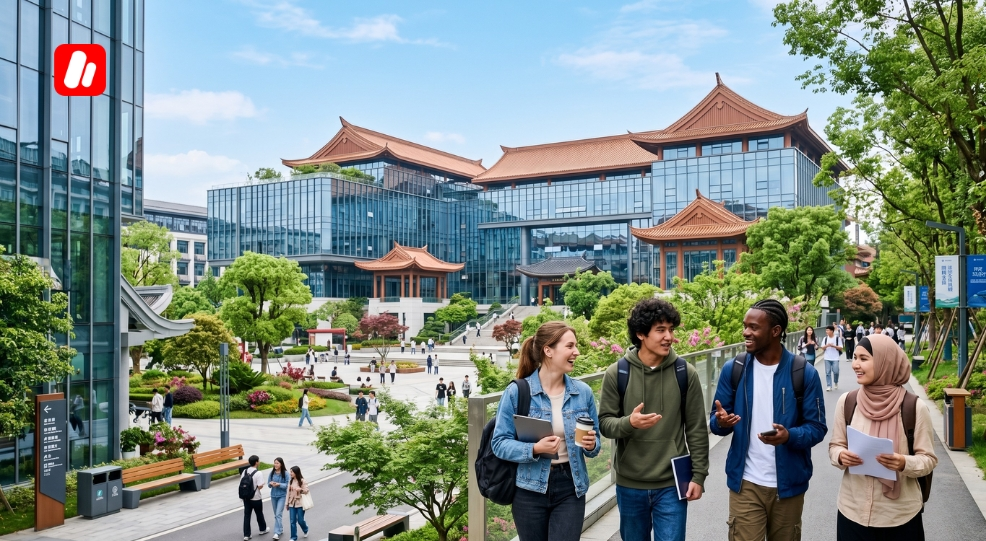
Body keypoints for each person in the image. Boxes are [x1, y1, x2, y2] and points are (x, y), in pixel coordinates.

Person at [710, 299, 827, 541]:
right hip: (746, 482)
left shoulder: (804, 373)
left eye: (753, 327)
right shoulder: (734, 369)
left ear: (775, 332)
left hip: (789, 485)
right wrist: (720, 423)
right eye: (745, 326)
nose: (745, 332)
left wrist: (789, 436)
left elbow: (817, 428)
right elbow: (716, 420)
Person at [598, 298, 709, 541]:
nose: (668, 336)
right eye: (660, 330)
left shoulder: (684, 373)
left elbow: (697, 430)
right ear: (640, 334)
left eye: (671, 329)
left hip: (672, 483)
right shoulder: (617, 373)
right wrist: (630, 423)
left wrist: (699, 476)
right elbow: (605, 424)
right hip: (630, 485)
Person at [491, 321, 600, 541]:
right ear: (548, 350)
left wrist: (591, 444)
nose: (576, 352)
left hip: (571, 485)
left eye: (575, 346)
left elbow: (595, 442)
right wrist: (535, 448)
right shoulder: (517, 392)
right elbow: (499, 443)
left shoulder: (583, 392)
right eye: (569, 346)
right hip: (529, 489)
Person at [830, 334, 937, 539]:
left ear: (884, 362)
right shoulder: (848, 402)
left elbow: (929, 459)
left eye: (864, 358)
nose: (855, 365)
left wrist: (903, 462)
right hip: (852, 512)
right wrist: (842, 456)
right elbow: (835, 445)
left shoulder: (913, 407)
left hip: (899, 517)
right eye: (854, 357)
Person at [241, 455, 269, 540]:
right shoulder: (258, 473)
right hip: (256, 497)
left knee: (247, 516)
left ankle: (247, 534)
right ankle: (262, 529)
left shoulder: (244, 471)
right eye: (259, 460)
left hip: (246, 498)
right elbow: (260, 486)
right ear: (256, 462)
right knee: (259, 513)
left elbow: (241, 483)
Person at [286, 465, 310, 541]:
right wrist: (286, 503)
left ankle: (305, 529)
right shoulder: (290, 481)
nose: (290, 473)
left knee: (300, 520)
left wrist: (300, 490)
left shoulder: (302, 481)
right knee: (292, 521)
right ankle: (293, 537)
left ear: (296, 472)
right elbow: (288, 493)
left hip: (300, 503)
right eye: (290, 472)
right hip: (291, 503)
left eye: (291, 472)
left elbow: (306, 490)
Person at [267, 457, 289, 541]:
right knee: (276, 515)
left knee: (278, 514)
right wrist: (271, 483)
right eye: (274, 463)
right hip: (273, 496)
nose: (275, 465)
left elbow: (287, 485)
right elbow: (268, 484)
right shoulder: (272, 473)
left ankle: (276, 533)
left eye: (277, 463)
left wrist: (279, 484)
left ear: (281, 464)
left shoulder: (285, 473)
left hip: (282, 496)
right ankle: (280, 528)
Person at [821, 325, 844, 392]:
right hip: (827, 357)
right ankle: (829, 386)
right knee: (828, 372)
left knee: (836, 371)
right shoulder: (825, 338)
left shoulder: (837, 338)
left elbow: (841, 347)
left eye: (828, 330)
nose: (826, 331)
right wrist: (827, 345)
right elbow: (822, 347)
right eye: (826, 330)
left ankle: (836, 382)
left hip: (835, 358)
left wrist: (833, 346)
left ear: (832, 331)